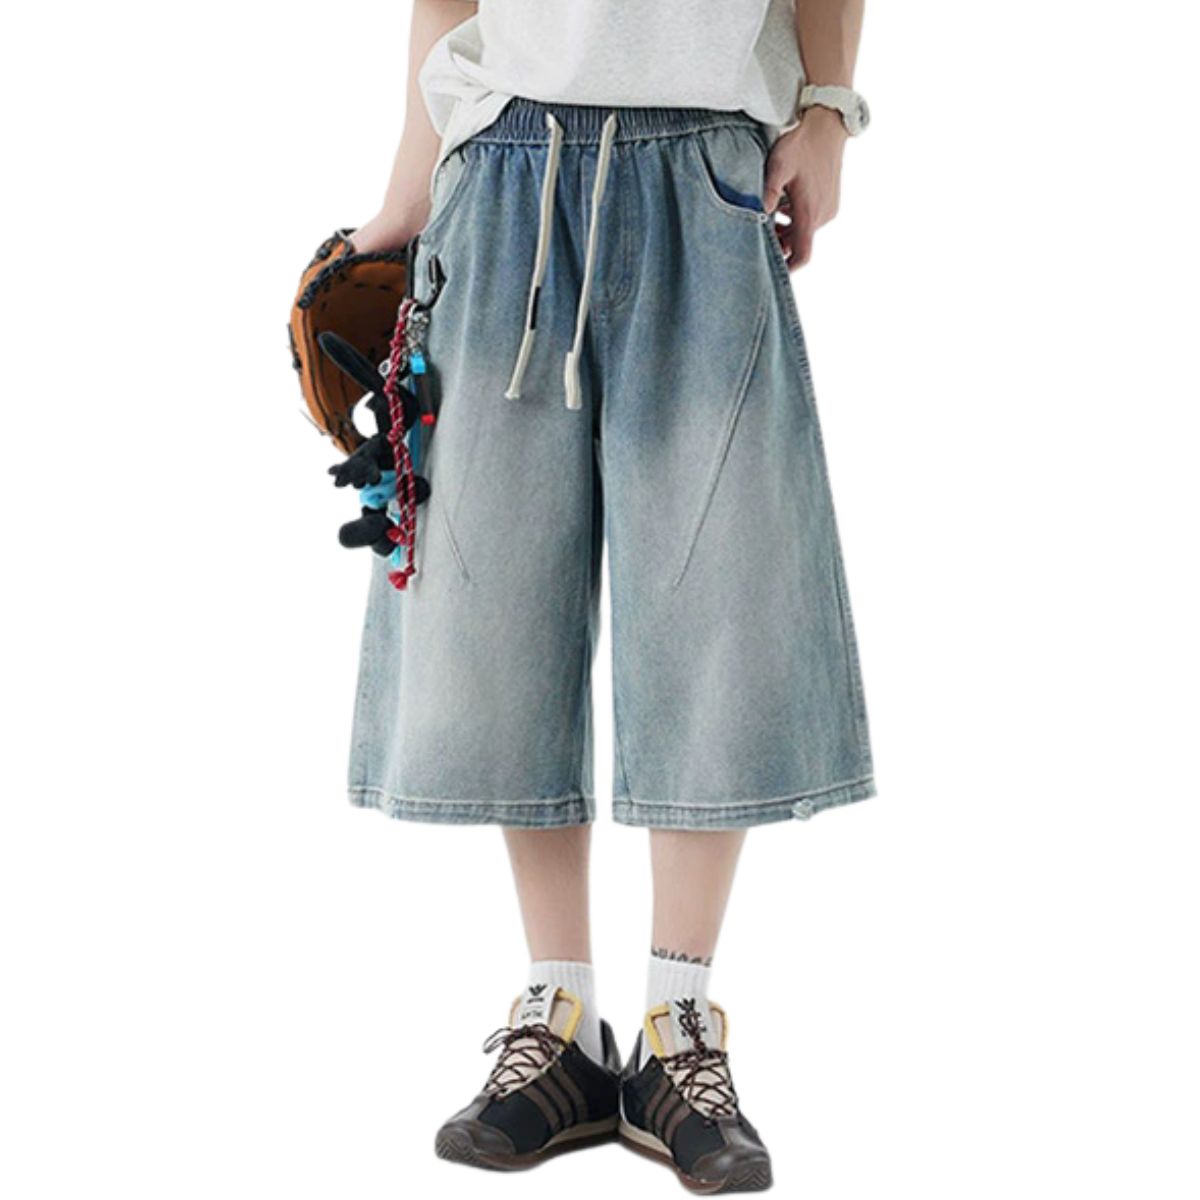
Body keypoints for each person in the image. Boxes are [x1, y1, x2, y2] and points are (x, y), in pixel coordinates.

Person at [345, 1, 875, 1190]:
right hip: (502, 170)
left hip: (708, 170)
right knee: (497, 597)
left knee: (720, 594)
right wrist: (404, 202)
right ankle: (563, 1018)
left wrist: (828, 111)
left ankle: (678, 1026)